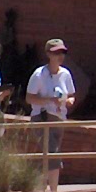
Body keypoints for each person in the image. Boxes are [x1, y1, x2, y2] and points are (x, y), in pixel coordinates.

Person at [25, 38, 79, 184]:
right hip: (42, 117)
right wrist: (49, 100)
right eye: (56, 53)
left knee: (48, 153)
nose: (60, 56)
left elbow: (71, 95)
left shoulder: (66, 74)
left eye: (62, 52)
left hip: (59, 117)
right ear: (48, 54)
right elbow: (29, 98)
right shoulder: (39, 74)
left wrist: (68, 101)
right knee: (52, 152)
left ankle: (41, 187)